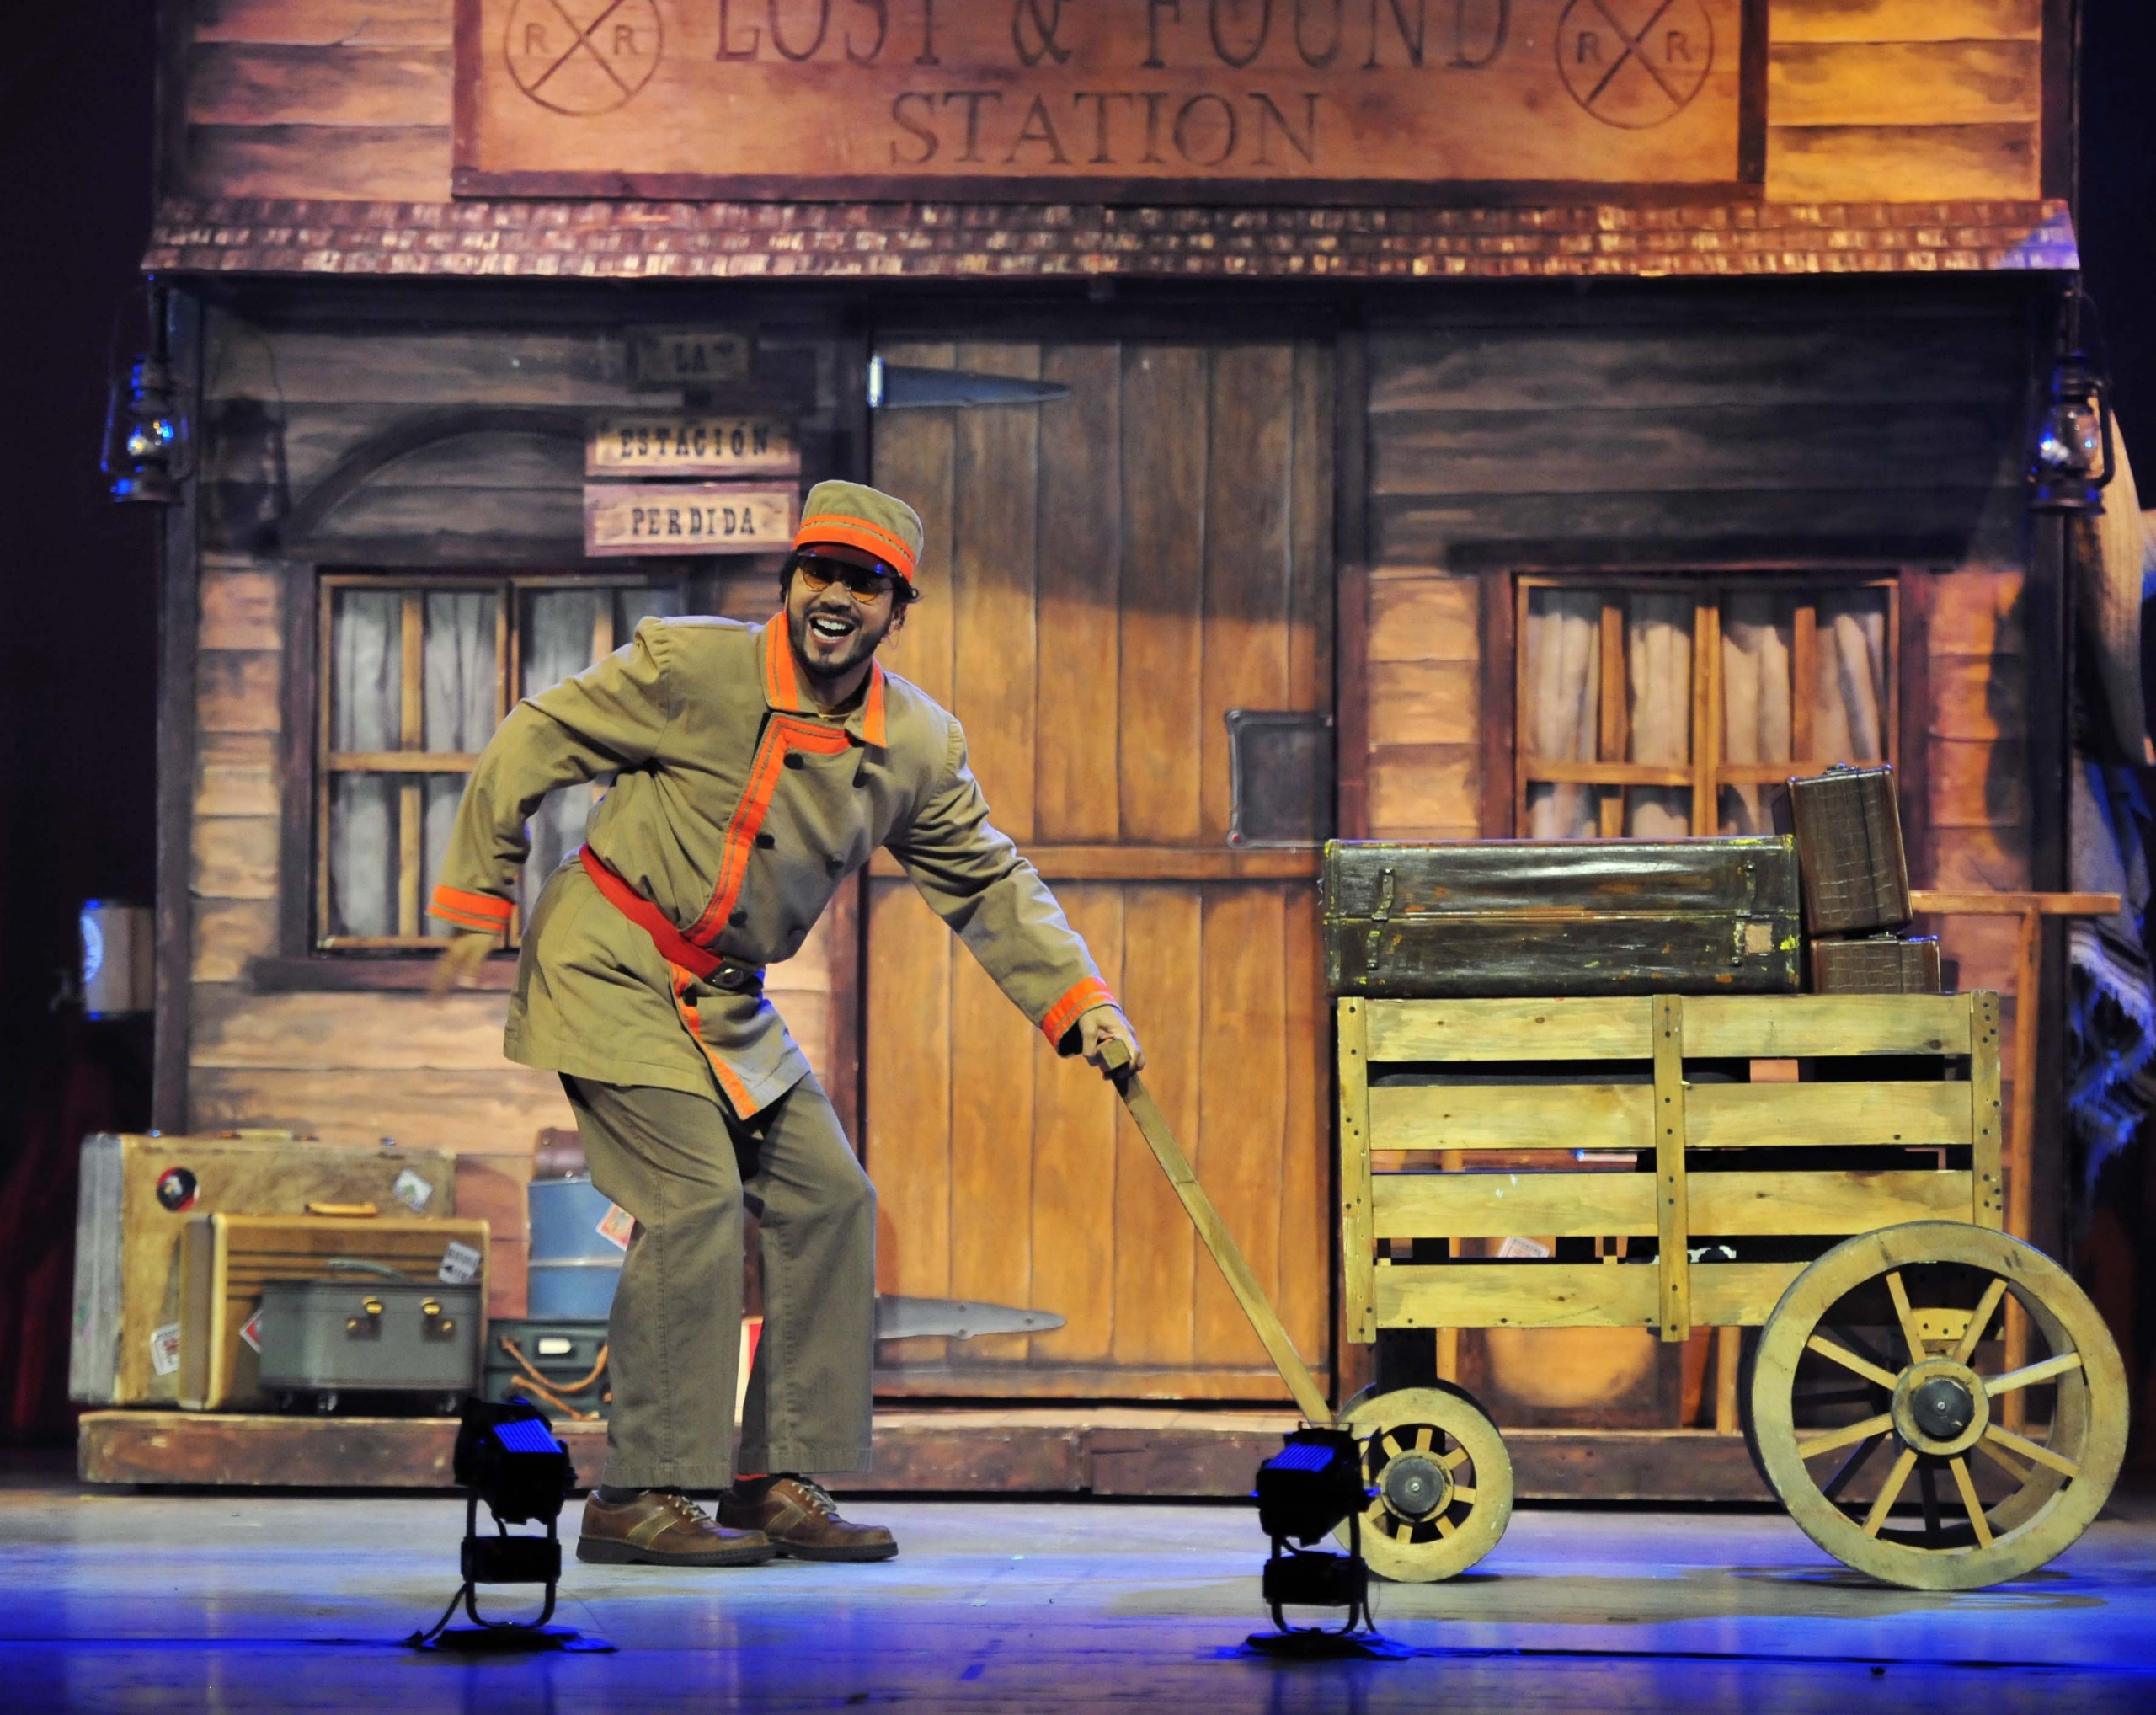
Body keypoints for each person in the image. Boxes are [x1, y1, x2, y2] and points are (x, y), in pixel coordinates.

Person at [430, 480, 1142, 1567]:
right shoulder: (693, 667)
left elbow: (988, 881)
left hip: (726, 1001)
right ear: (791, 580)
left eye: (866, 584)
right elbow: (543, 731)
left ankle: (776, 1477)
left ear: (897, 611)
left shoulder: (914, 742)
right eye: (821, 573)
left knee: (829, 1198)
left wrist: (1079, 998)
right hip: (611, 962)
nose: (836, 598)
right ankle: (640, 1491)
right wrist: (481, 886)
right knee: (694, 1200)